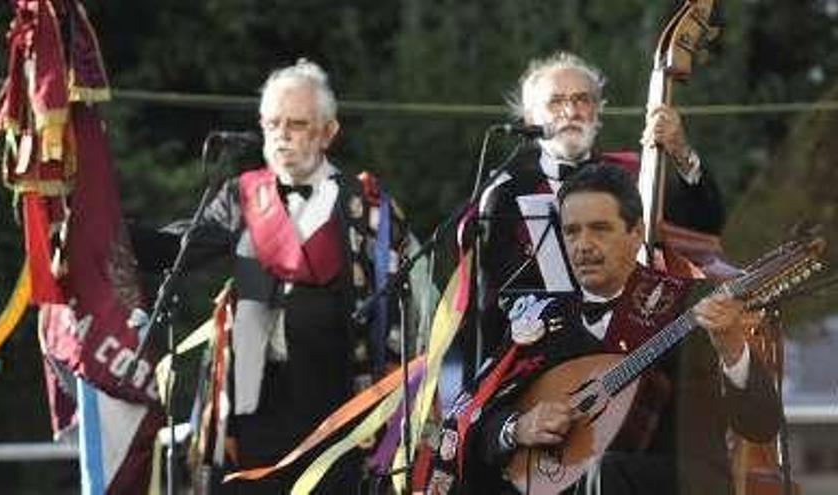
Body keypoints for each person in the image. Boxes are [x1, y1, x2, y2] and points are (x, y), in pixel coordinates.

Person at [134, 59, 415, 493]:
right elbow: (176, 248)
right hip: (250, 408)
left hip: (336, 406)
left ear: (328, 132)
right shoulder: (242, 195)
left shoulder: (367, 208)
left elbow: (402, 317)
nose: (282, 134)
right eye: (272, 123)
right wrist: (97, 230)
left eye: (297, 124)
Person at [436, 165, 780, 494]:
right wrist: (516, 428)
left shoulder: (689, 303)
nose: (583, 245)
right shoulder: (542, 317)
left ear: (636, 233)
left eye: (599, 228)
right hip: (565, 479)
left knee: (603, 472)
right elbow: (478, 420)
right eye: (571, 231)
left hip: (678, 481)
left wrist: (733, 347)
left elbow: (760, 424)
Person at [467, 50, 727, 374]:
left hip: (640, 352)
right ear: (532, 119)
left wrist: (681, 152)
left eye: (582, 99)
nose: (571, 111)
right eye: (556, 101)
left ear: (597, 112)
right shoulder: (506, 192)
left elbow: (705, 224)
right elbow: (491, 307)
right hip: (543, 366)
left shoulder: (636, 175)